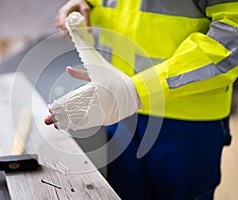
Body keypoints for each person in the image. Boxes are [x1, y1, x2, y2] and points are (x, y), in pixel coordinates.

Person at [44, 0, 238, 199]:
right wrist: (83, 4)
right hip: (118, 110)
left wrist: (137, 90)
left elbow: (232, 36)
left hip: (186, 118)